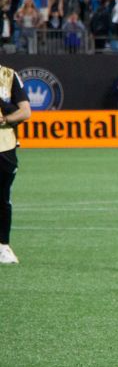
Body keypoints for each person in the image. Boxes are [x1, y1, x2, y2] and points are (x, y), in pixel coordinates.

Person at [0, 64, 32, 264]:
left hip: (4, 146)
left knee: (2, 198)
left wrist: (5, 118)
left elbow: (25, 112)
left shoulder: (8, 75)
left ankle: (3, 246)